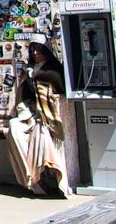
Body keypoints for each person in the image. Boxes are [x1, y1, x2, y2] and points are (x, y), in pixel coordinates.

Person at [6, 37, 69, 195]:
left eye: (39, 50)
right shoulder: (29, 69)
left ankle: (49, 179)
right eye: (33, 50)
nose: (35, 53)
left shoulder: (53, 69)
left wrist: (35, 79)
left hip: (47, 116)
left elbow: (58, 92)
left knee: (41, 135)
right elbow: (24, 95)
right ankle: (29, 177)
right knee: (13, 130)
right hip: (29, 113)